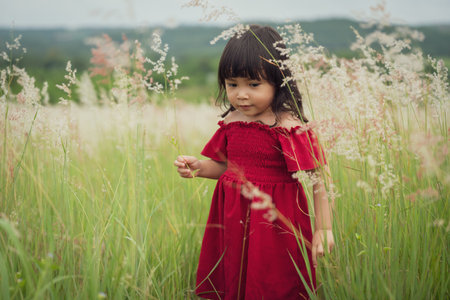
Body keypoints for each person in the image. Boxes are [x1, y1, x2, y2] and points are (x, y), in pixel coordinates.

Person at [174, 24, 334, 300]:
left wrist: (324, 228)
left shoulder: (288, 126)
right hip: (232, 219)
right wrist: (200, 167)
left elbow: (320, 176)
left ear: (279, 80)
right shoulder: (231, 122)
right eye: (232, 84)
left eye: (253, 84)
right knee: (234, 279)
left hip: (275, 223)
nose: (241, 94)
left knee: (273, 283)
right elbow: (227, 168)